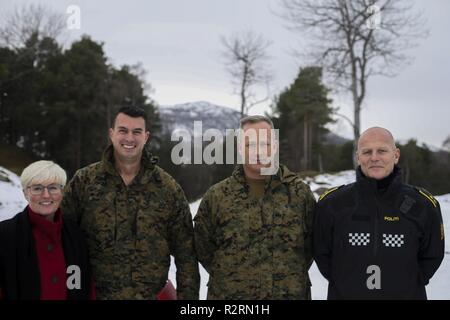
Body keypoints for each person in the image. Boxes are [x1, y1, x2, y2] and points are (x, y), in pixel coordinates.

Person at [61, 106, 199, 299]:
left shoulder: (167, 189)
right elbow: (62, 242)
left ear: (146, 137)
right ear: (111, 134)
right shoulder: (84, 182)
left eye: (137, 132)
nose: (129, 138)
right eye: (123, 130)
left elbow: (186, 256)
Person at [313, 127, 445, 299]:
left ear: (396, 155)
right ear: (358, 156)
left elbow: (432, 256)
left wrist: (405, 284)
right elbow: (321, 254)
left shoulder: (424, 204)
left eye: (382, 151)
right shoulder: (331, 203)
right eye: (367, 152)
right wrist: (347, 283)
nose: (374, 158)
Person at [194, 115, 316, 299]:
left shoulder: (300, 194)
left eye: (264, 144)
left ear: (274, 146)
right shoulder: (217, 196)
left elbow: (311, 247)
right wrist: (235, 279)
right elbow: (204, 250)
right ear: (240, 148)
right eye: (250, 144)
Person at [0, 161, 93, 300]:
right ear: (25, 193)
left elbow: (87, 288)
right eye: (37, 188)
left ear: (62, 192)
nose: (46, 195)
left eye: (53, 187)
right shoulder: (5, 234)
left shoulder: (76, 235)